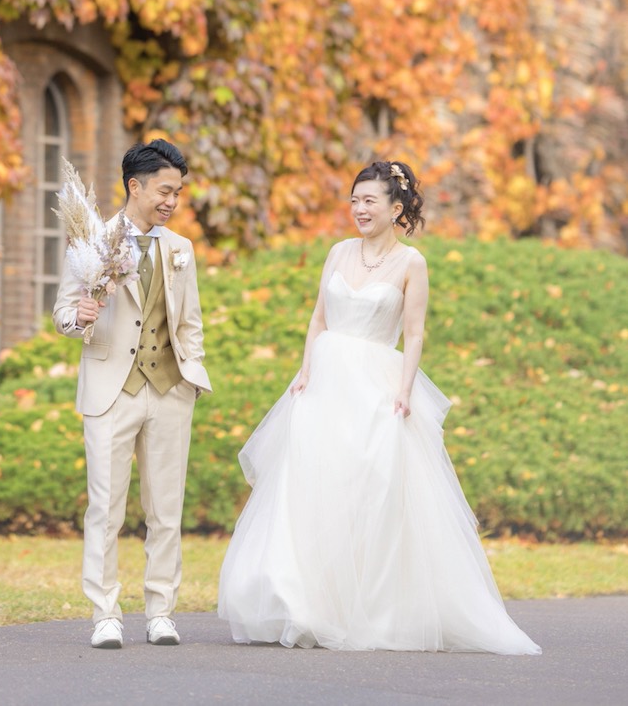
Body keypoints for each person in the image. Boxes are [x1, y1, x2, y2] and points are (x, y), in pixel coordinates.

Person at [217, 160, 540, 655]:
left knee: (366, 491)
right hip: (324, 383)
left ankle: (364, 608)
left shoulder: (412, 263)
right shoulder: (338, 251)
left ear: (396, 208)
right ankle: (300, 602)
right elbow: (318, 319)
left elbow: (413, 333)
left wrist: (406, 390)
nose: (359, 209)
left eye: (369, 201)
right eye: (354, 200)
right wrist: (304, 371)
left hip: (374, 387)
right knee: (309, 489)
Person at [54, 138, 212, 650]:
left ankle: (161, 609)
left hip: (169, 390)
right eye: (165, 190)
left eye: (178, 192)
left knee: (166, 508)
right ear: (135, 186)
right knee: (106, 507)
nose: (172, 201)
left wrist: (191, 374)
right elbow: (61, 313)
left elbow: (190, 323)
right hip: (110, 392)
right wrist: (76, 319)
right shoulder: (90, 241)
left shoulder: (180, 249)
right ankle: (105, 613)